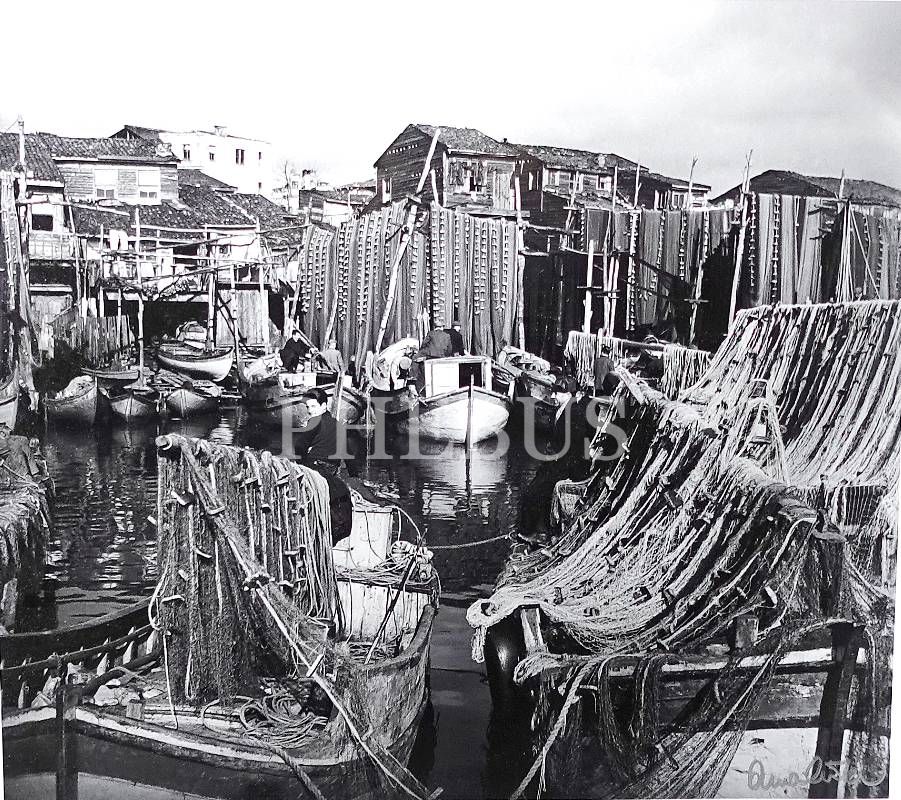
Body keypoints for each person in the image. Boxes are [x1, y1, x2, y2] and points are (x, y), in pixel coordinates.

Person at [294, 388, 353, 544]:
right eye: (308, 407)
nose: (310, 411)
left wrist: (300, 463)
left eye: (313, 406)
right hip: (331, 470)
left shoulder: (314, 421)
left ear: (324, 406)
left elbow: (298, 447)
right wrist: (354, 475)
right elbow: (348, 453)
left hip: (314, 469)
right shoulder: (338, 425)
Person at [410, 327, 453, 392]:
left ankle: (413, 377)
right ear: (442, 327)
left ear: (435, 327)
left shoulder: (431, 333)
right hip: (441, 356)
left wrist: (421, 351)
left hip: (430, 354)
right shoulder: (447, 335)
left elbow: (424, 344)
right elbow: (449, 349)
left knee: (415, 358)